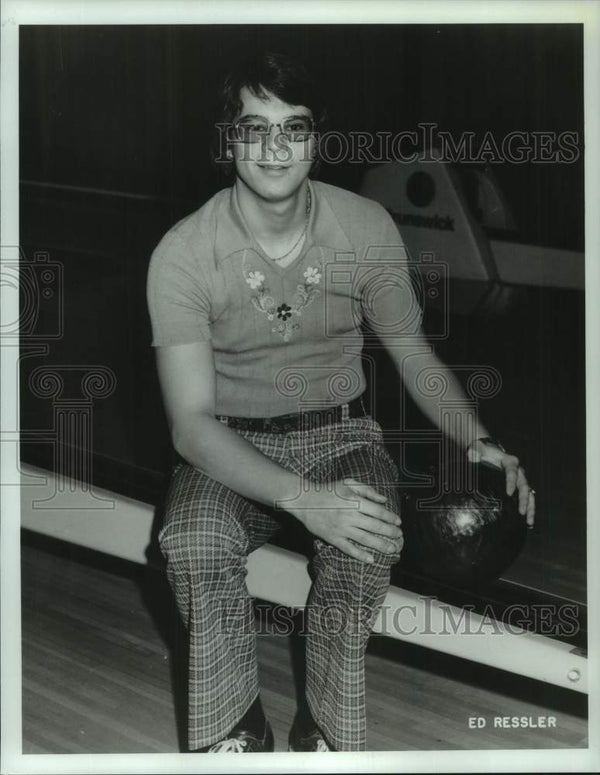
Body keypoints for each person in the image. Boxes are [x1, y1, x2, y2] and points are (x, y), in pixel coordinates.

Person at [146, 51, 535, 754]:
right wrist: (301, 498)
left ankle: (326, 730)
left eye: (292, 128)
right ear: (226, 138)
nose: (274, 147)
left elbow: (412, 351)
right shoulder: (183, 253)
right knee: (191, 538)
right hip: (229, 445)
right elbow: (191, 425)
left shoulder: (364, 227)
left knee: (365, 537)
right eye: (253, 127)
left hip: (341, 436)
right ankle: (234, 726)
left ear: (315, 140)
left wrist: (475, 438)